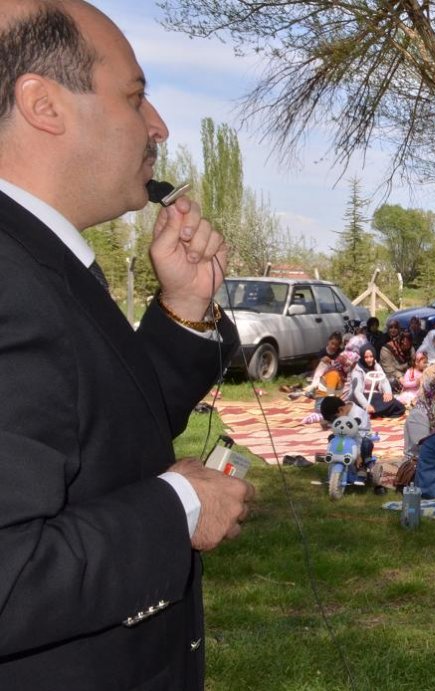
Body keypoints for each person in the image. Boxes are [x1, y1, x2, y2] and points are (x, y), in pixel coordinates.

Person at [0, 3, 255, 686]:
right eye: (135, 96)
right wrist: (179, 507)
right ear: (44, 104)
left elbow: (96, 430)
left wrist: (184, 309)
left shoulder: (36, 261)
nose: (158, 126)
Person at [350, 345, 405, 418]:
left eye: (371, 357)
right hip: (364, 397)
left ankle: (377, 413)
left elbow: (384, 381)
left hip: (376, 395)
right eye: (366, 357)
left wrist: (387, 393)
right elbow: (357, 392)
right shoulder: (357, 371)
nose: (369, 359)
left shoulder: (376, 366)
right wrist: (366, 405)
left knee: (399, 406)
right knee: (384, 405)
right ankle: (372, 412)